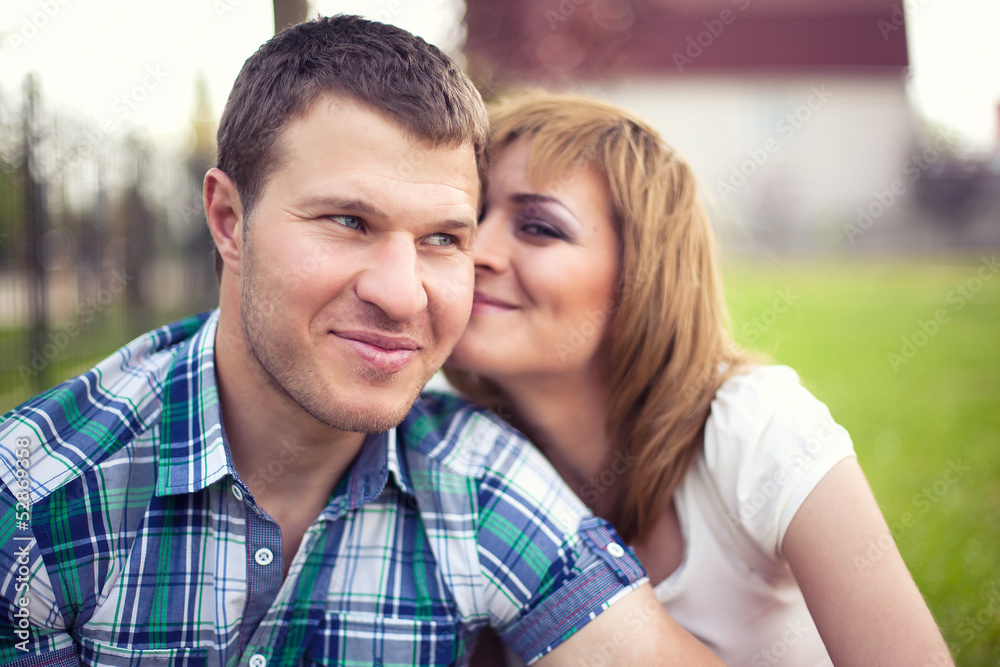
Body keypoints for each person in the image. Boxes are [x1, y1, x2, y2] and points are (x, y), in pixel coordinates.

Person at [0, 18, 723, 666]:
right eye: (349, 220)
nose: (402, 292)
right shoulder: (35, 497)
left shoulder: (481, 483)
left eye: (442, 238)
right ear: (228, 220)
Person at [446, 91, 955, 667]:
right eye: (470, 217)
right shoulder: (446, 441)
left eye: (539, 227)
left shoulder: (760, 429)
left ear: (641, 276)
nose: (475, 250)